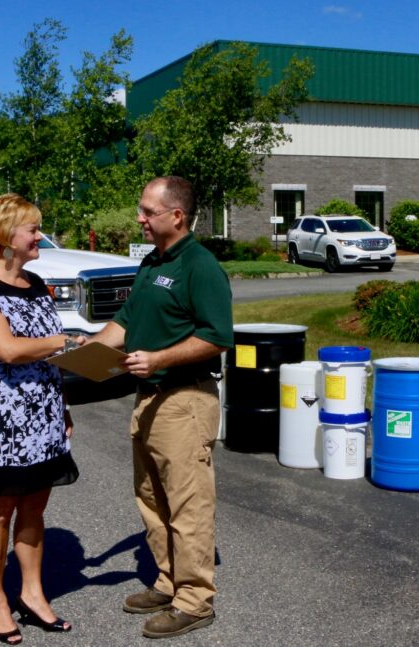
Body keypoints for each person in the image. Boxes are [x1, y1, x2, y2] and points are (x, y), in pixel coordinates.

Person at [92, 176, 233, 639]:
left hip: (184, 400)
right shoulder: (152, 263)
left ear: (176, 216)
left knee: (188, 504)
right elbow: (126, 321)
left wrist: (158, 358)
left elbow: (216, 338)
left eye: (147, 212)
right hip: (148, 398)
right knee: (153, 499)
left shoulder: (201, 266)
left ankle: (195, 601)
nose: (140, 219)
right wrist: (87, 351)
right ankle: (169, 580)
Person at [0, 193, 82, 644]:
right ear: (5, 236)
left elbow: (47, 351)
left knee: (35, 506)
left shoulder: (35, 283)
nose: (39, 236)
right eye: (32, 229)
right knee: (0, 508)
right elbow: (8, 349)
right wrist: (65, 342)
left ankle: (33, 593)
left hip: (42, 415)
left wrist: (62, 404)